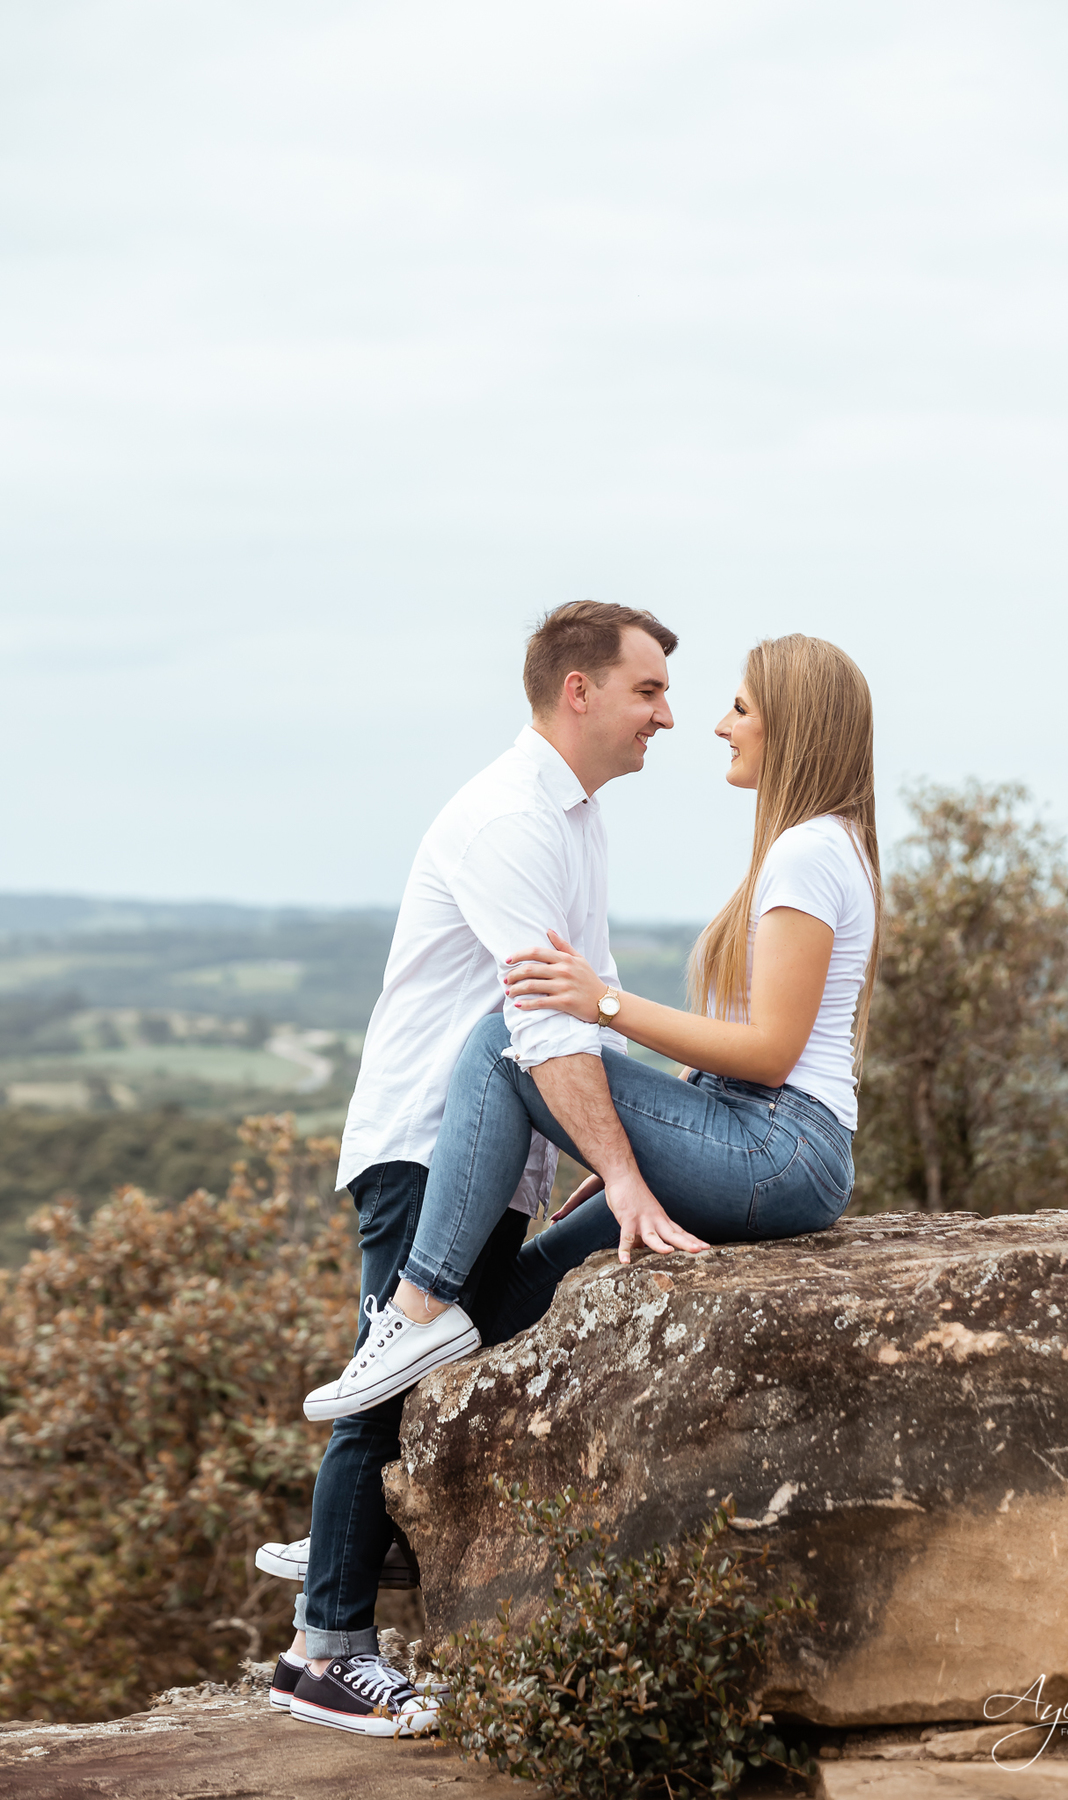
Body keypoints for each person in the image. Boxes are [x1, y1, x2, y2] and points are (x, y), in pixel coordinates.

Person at [260, 600, 682, 1737]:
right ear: (577, 691)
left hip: (497, 1157)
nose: (668, 717)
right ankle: (324, 1648)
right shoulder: (509, 820)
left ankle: (351, 1539)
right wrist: (620, 1162)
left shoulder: (575, 820)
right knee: (386, 1377)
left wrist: (606, 1153)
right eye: (648, 691)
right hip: (422, 1147)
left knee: (493, 1321)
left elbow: (589, 1009)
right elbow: (537, 1028)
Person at [305, 631, 880, 1416]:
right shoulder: (820, 846)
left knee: (504, 1041)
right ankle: (360, 1529)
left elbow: (773, 1054)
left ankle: (417, 1306)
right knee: (511, 1300)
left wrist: (600, 1003)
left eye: (740, 708)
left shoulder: (808, 852)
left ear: (794, 724)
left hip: (778, 1151)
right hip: (764, 1143)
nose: (717, 725)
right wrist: (622, 1142)